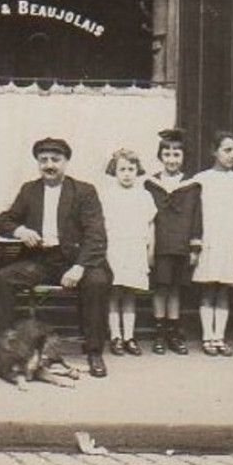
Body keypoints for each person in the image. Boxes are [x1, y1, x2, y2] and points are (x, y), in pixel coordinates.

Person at [0, 137, 112, 378]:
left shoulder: (84, 191)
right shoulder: (29, 190)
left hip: (76, 260)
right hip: (41, 261)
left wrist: (79, 267)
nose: (49, 165)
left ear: (66, 162)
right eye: (43, 160)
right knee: (1, 279)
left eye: (55, 160)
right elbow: (5, 220)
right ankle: (2, 350)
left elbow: (96, 235)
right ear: (38, 163)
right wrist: (20, 230)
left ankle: (94, 351)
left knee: (97, 281)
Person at [190, 131, 233, 356]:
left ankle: (220, 337)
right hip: (209, 242)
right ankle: (207, 336)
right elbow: (194, 214)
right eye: (227, 150)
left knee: (224, 290)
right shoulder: (200, 180)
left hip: (230, 242)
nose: (232, 155)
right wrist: (195, 244)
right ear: (214, 152)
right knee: (208, 289)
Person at [145, 128, 200, 355]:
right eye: (167, 154)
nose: (171, 159)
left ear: (183, 157)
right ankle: (159, 332)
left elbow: (197, 215)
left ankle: (173, 332)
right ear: (160, 157)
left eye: (176, 154)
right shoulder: (151, 184)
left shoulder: (192, 186)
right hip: (160, 245)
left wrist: (195, 245)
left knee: (175, 289)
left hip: (181, 244)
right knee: (160, 288)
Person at [100, 148, 155, 357]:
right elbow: (103, 226)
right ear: (114, 171)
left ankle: (129, 337)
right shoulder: (107, 196)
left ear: (137, 171)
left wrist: (150, 250)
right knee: (114, 293)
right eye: (122, 169)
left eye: (131, 169)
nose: (126, 174)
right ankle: (115, 336)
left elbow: (150, 225)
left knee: (130, 293)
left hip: (135, 248)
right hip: (114, 248)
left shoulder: (144, 196)